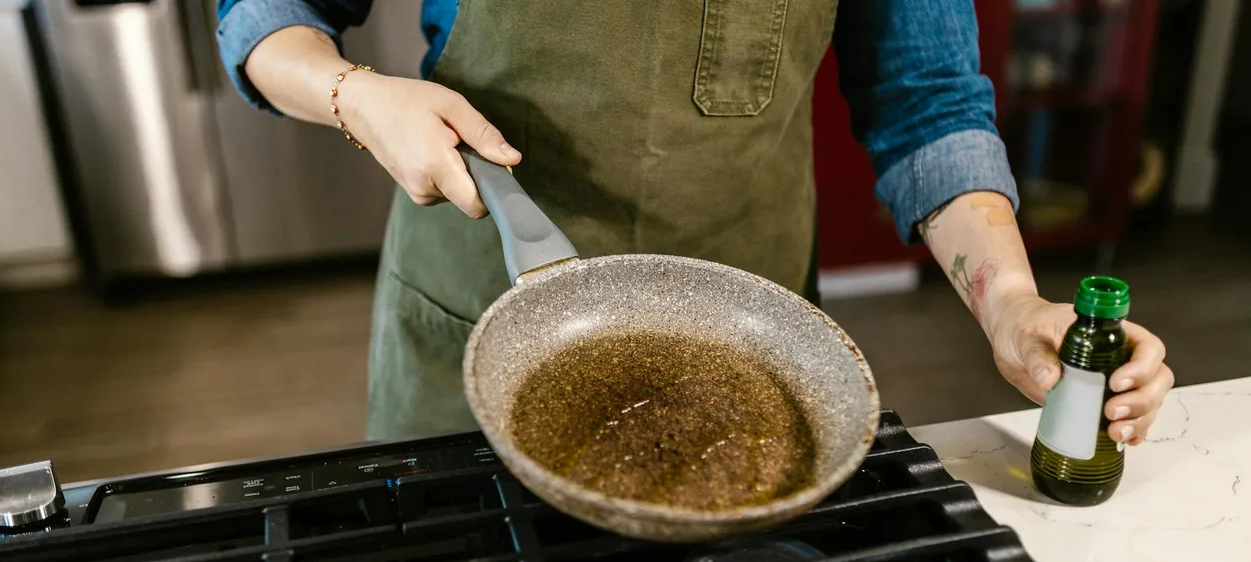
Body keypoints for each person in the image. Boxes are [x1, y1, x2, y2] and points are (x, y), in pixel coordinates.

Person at [216, 0, 1173, 443]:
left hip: (744, 352)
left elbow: (926, 99)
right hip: (479, 316)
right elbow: (265, 12)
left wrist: (1009, 301)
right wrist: (354, 94)